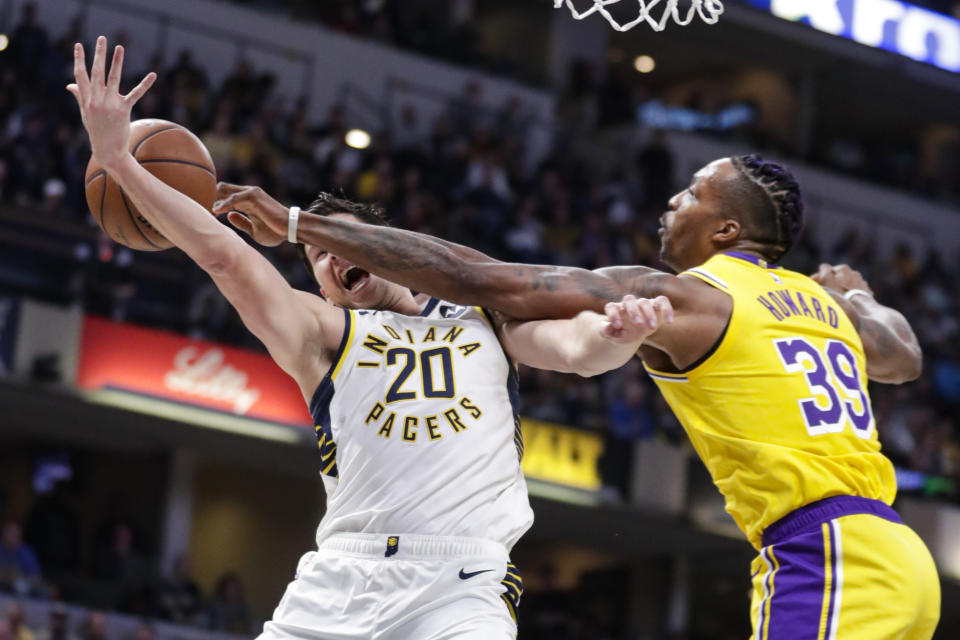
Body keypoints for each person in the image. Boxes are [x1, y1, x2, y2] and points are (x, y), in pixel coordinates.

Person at [67, 37, 671, 639]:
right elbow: (225, 257)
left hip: (460, 582)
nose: (330, 262)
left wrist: (620, 334)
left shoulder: (485, 316)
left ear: (391, 254)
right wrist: (119, 161)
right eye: (316, 258)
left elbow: (579, 352)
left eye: (342, 245)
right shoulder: (324, 331)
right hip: (341, 579)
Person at [219, 156, 940, 638]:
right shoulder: (821, 306)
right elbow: (903, 355)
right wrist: (863, 297)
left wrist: (297, 226)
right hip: (899, 561)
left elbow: (484, 280)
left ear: (727, 230)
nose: (671, 201)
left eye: (690, 194)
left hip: (824, 554)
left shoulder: (687, 296)